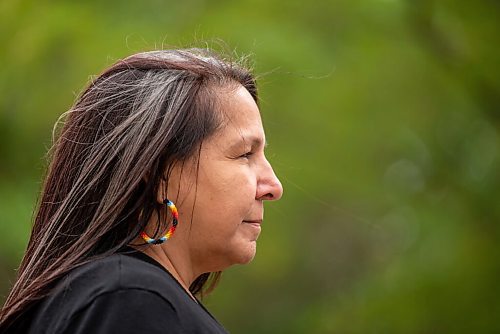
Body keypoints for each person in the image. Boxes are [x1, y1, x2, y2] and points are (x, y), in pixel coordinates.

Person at [0, 48, 283, 333]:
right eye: (245, 154)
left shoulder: (121, 297)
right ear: (159, 173)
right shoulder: (130, 301)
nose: (273, 187)